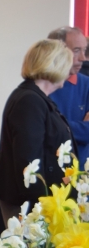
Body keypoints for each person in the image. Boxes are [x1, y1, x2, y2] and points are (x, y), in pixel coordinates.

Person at [0, 39, 74, 225]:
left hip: (39, 201)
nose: (69, 72)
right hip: (32, 204)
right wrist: (42, 205)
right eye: (66, 65)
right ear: (54, 65)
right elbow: (28, 159)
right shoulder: (29, 100)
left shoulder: (35, 98)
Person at [47, 26, 89, 165]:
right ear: (57, 52)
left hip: (81, 176)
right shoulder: (41, 86)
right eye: (76, 50)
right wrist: (81, 126)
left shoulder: (87, 85)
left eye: (84, 50)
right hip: (49, 171)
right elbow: (44, 131)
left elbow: (51, 128)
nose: (83, 58)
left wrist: (56, 126)